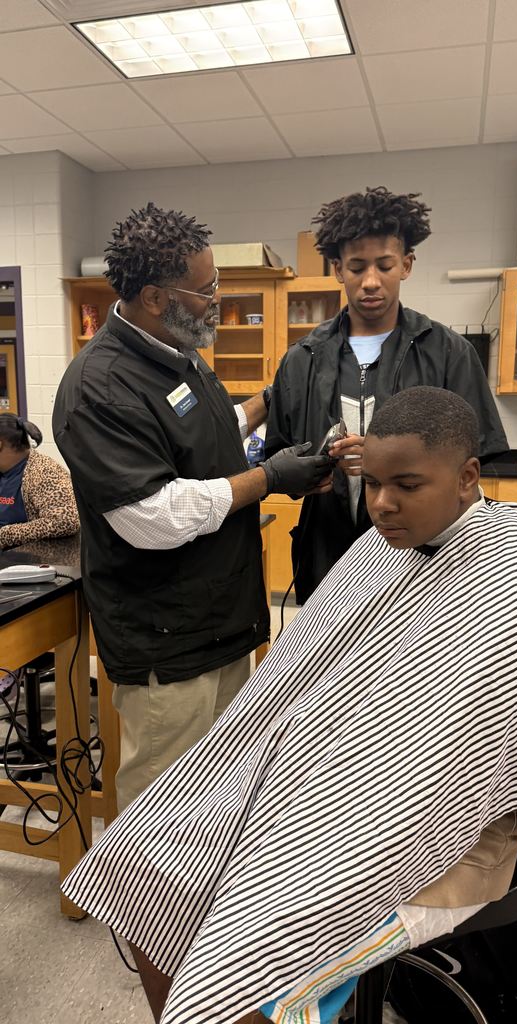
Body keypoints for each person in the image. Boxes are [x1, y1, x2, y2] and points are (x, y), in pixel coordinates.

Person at [60, 387, 517, 1024]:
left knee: (254, 934)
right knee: (137, 854)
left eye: (407, 485)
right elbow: (295, 676)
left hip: (439, 820)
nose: (382, 504)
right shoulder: (381, 547)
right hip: (318, 771)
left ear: (468, 475)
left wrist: (320, 803)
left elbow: (461, 744)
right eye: (376, 483)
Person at [52, 202, 331, 811]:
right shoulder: (101, 387)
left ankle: (205, 908)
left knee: (219, 797)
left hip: (220, 622)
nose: (218, 301)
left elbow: (202, 432)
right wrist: (268, 478)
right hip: (166, 640)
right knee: (161, 816)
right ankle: (144, 909)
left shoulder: (175, 357)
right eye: (207, 291)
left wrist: (267, 400)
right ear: (155, 297)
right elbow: (154, 514)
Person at [265, 186, 509, 603]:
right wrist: (319, 469)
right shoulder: (301, 360)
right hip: (327, 556)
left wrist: (388, 461)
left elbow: (472, 463)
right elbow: (282, 462)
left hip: (428, 562)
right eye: (357, 267)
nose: (371, 281)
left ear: (407, 265)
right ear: (338, 269)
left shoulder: (449, 354)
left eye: (385, 265)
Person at [0, 413, 79, 549]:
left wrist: (5, 534)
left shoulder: (45, 471)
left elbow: (66, 520)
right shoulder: (4, 471)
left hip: (26, 561)